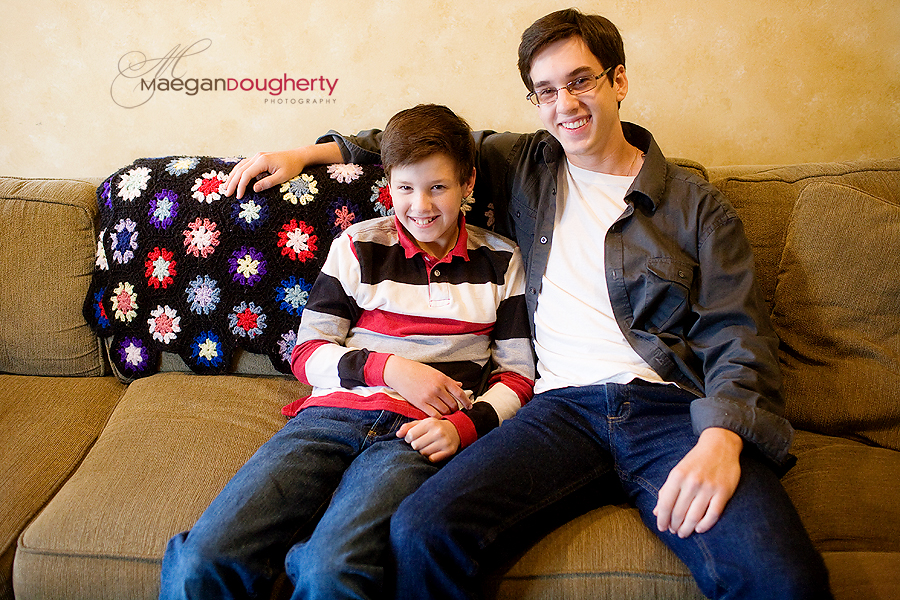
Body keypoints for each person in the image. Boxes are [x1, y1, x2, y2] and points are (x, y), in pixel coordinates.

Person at [224, 10, 831, 599]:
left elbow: (739, 334)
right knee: (423, 528)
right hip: (559, 411)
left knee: (783, 578)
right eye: (546, 91)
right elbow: (416, 146)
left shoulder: (697, 208)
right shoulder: (525, 165)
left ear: (619, 80)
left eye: (581, 81)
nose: (565, 104)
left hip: (668, 412)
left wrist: (723, 437)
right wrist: (306, 155)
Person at [159, 104, 535, 600]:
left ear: (468, 184)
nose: (420, 205)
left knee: (333, 568)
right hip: (329, 418)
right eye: (405, 188)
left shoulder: (502, 261)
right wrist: (390, 369)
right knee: (204, 558)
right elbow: (307, 352)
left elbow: (517, 377)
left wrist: (464, 425)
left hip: (415, 436)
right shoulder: (357, 245)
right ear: (389, 184)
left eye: (438, 187)